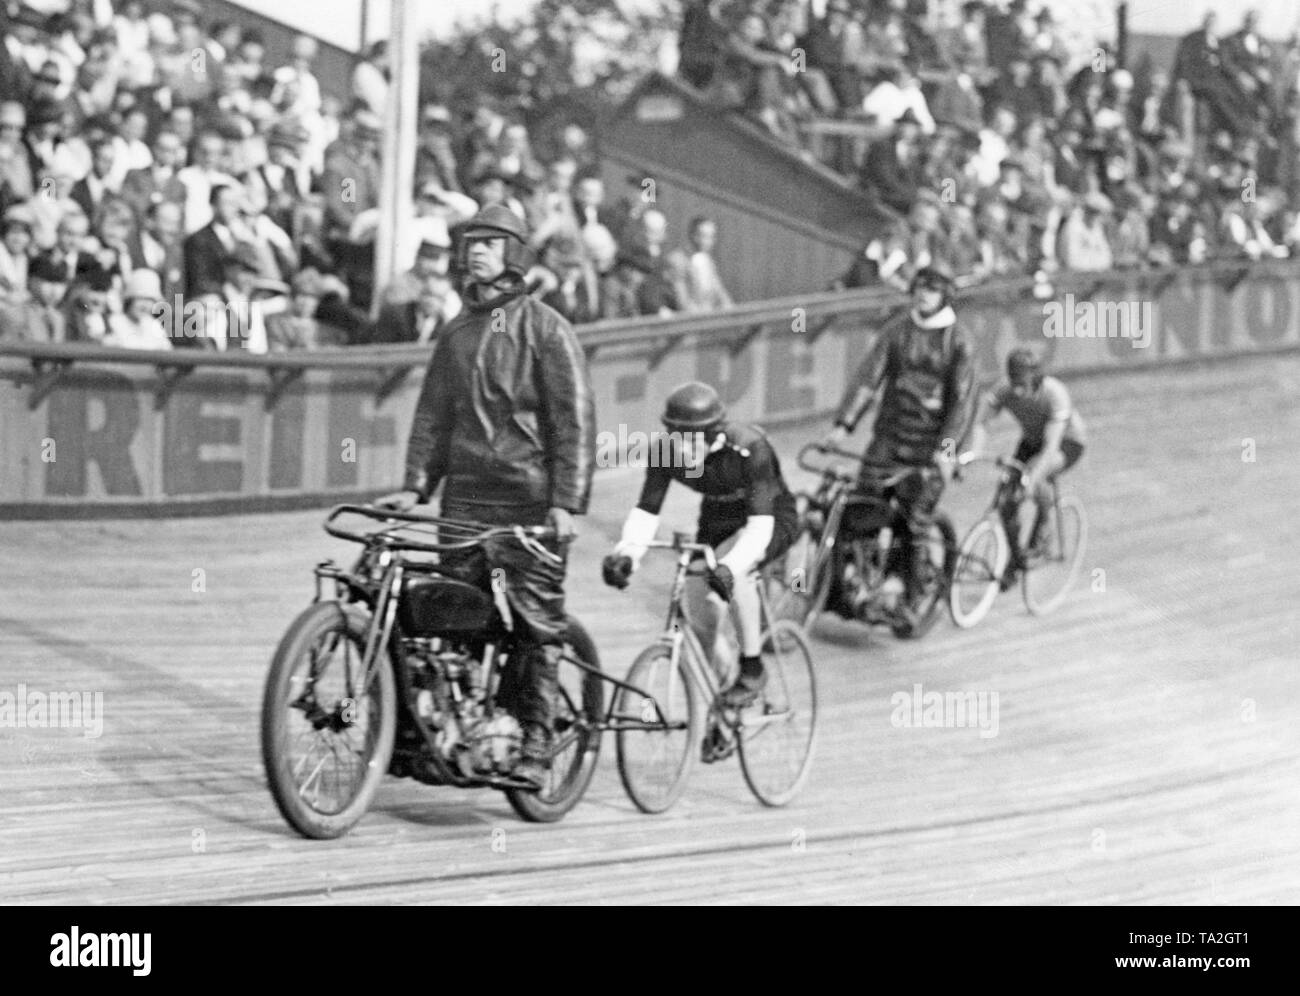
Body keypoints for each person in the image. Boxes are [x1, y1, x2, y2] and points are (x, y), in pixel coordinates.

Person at [375, 204, 596, 790]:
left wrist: (566, 503)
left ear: (514, 255)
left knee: (536, 624)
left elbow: (574, 423)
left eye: (491, 243)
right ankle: (456, 732)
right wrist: (415, 485)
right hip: (465, 501)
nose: (477, 250)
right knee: (454, 617)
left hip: (529, 502)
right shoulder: (456, 333)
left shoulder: (548, 329)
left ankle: (538, 742)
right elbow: (432, 417)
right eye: (472, 241)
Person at [601, 382, 798, 717]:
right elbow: (648, 510)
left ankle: (752, 670)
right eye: (680, 440)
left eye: (696, 440)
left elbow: (759, 529)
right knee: (702, 613)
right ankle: (724, 705)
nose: (687, 450)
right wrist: (628, 556)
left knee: (738, 574)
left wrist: (730, 566)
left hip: (769, 517)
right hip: (717, 519)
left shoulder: (751, 448)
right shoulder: (664, 451)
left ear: (717, 433)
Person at [822, 265, 976, 626]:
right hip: (888, 439)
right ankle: (844, 586)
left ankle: (912, 596)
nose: (923, 295)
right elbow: (867, 379)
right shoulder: (896, 330)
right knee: (859, 510)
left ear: (945, 296)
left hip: (929, 448)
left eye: (932, 290)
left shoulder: (960, 341)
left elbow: (963, 402)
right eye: (919, 288)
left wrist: (947, 449)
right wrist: (843, 426)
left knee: (913, 520)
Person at [969, 347, 1086, 589]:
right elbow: (981, 423)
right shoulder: (1004, 389)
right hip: (1033, 440)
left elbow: (1051, 448)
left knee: (1033, 474)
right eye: (1013, 383)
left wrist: (1031, 481)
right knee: (1007, 500)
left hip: (1067, 442)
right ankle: (1017, 559)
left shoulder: (1055, 394)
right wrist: (974, 453)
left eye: (1022, 385)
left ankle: (1045, 522)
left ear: (1037, 380)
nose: (1017, 391)